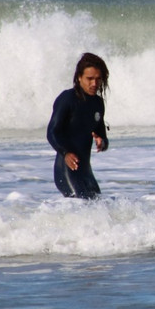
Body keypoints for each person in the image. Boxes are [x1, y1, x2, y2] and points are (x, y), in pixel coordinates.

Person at [46, 52, 110, 199]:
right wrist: (66, 153)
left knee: (99, 209)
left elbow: (101, 134)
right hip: (67, 169)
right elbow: (52, 132)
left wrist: (102, 142)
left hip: (86, 172)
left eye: (98, 79)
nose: (94, 83)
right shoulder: (67, 99)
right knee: (80, 207)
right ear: (79, 77)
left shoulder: (97, 103)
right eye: (90, 79)